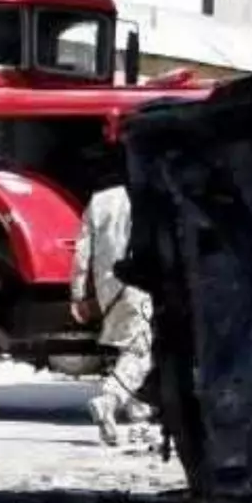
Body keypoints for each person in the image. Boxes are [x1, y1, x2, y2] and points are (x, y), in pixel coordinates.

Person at [71, 182, 156, 447]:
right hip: (141, 284)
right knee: (141, 350)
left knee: (134, 349)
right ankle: (108, 400)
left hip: (110, 290)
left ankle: (139, 422)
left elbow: (81, 253)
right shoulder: (150, 195)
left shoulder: (99, 201)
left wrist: (79, 294)